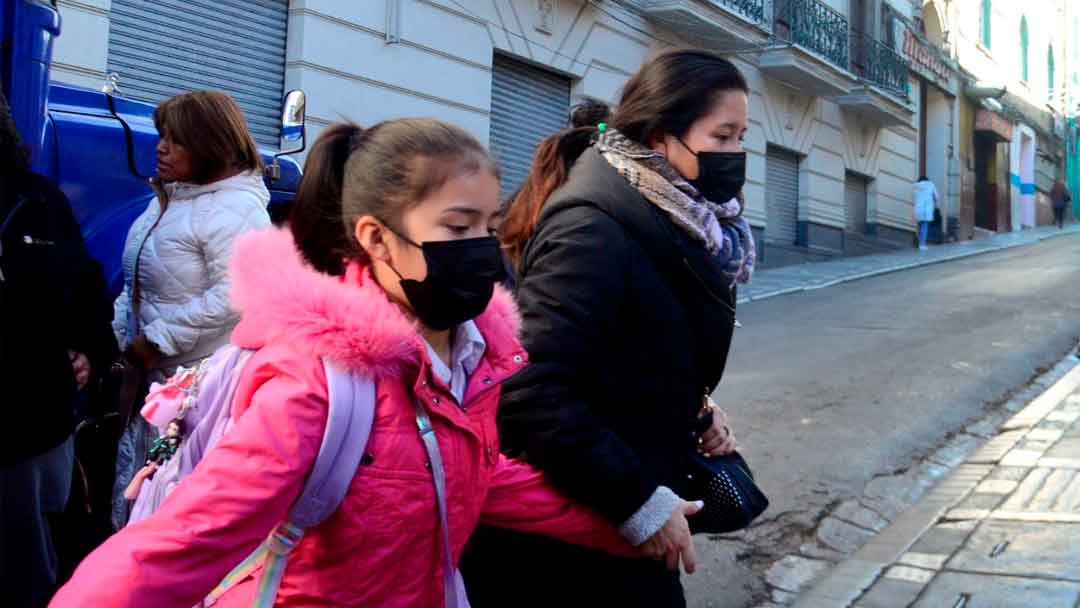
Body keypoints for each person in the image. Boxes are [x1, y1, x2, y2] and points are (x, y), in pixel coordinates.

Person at [51, 119, 649, 607]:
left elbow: (469, 472)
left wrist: (638, 517)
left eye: (490, 226)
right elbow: (190, 537)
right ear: (377, 238)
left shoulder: (470, 354)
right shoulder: (318, 381)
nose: (484, 251)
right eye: (458, 226)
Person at [463, 48, 754, 607]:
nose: (736, 155)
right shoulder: (594, 226)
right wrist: (639, 502)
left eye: (741, 136)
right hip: (575, 546)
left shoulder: (678, 219)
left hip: (622, 526)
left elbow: (633, 354)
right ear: (659, 138)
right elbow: (529, 389)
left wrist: (696, 410)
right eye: (722, 137)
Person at [110, 91, 271, 529]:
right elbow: (135, 277)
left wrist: (159, 339)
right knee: (142, 498)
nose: (161, 147)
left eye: (176, 139)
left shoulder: (237, 207)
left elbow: (238, 292)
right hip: (156, 381)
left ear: (208, 144)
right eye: (162, 136)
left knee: (174, 510)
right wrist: (120, 334)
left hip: (198, 392)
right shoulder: (169, 198)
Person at [0, 93, 117, 606]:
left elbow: (85, 287)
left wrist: (89, 348)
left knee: (25, 560)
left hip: (24, 420)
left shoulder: (38, 200)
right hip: (30, 410)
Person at [913, 175, 938, 250]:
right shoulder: (931, 185)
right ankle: (922, 244)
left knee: (919, 226)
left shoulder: (915, 186)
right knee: (924, 227)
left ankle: (917, 242)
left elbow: (913, 197)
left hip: (918, 209)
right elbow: (937, 197)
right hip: (927, 209)